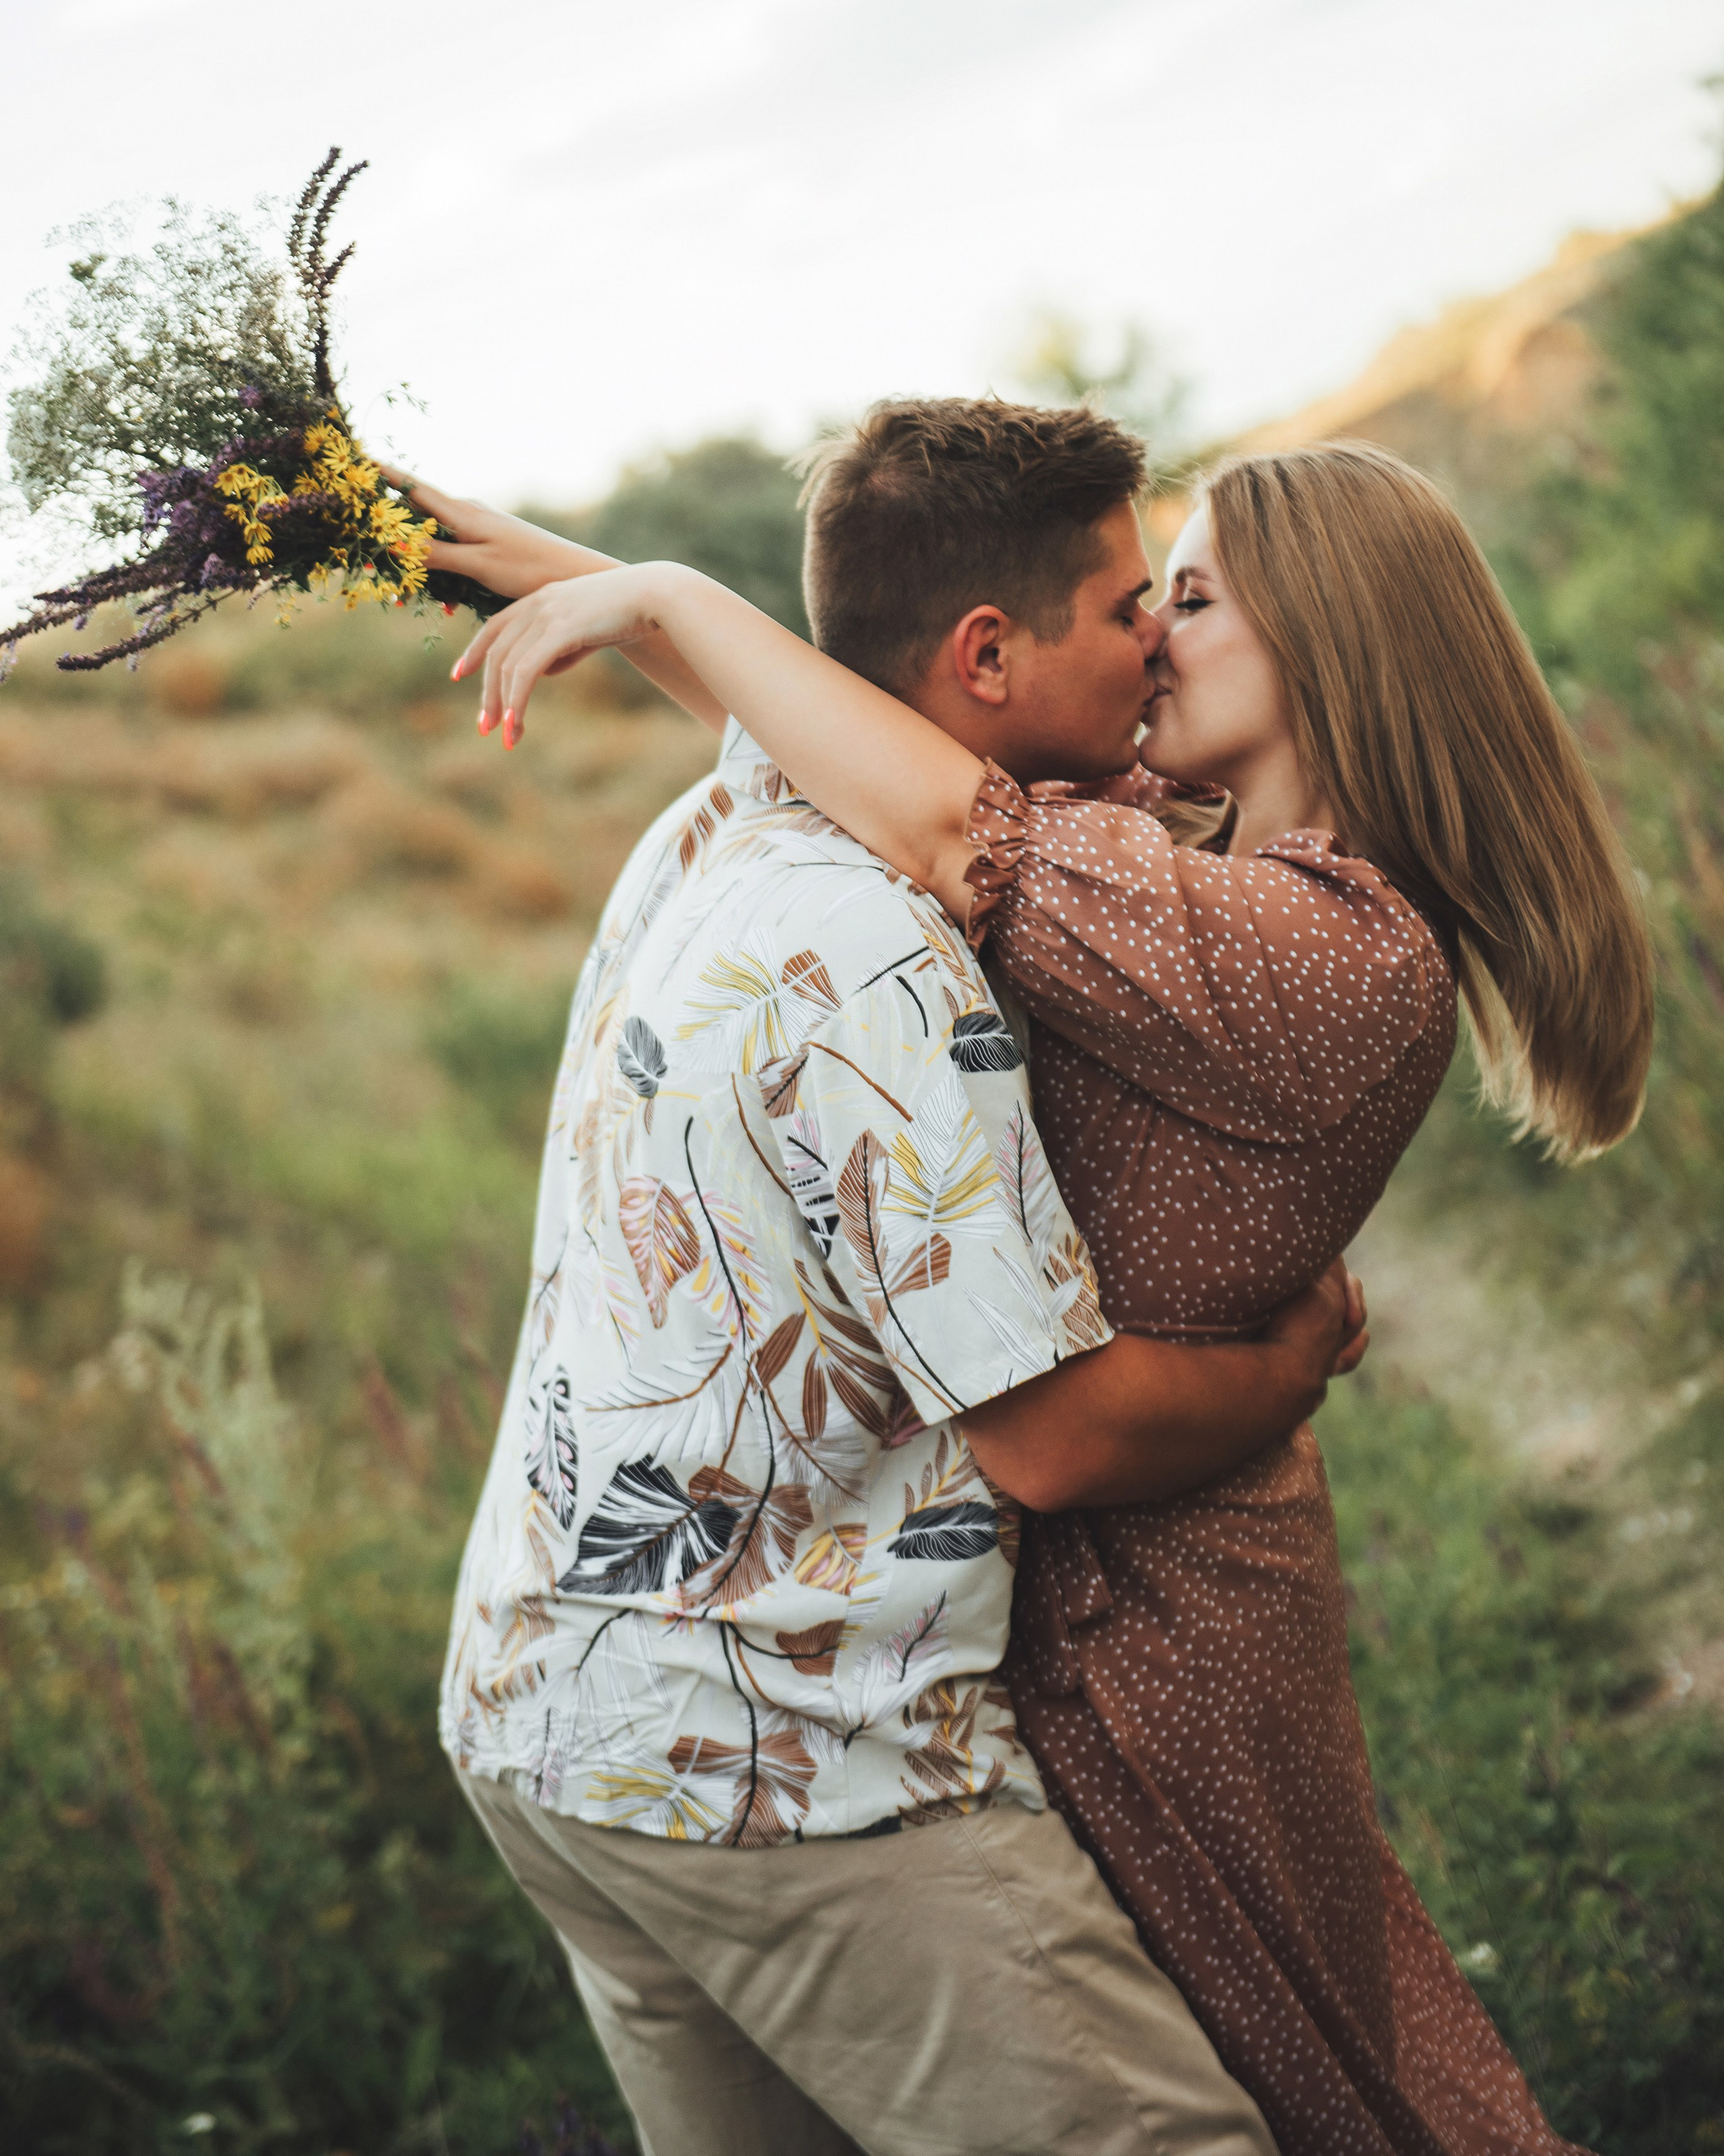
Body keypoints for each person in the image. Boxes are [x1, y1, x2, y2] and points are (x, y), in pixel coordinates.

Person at [444, 409, 1654, 2156]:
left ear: (1327, 645)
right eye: (1144, 597)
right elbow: (882, 721)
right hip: (1053, 1611)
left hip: (1162, 1633)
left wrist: (667, 597)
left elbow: (947, 804)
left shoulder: (1334, 949)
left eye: (1194, 597)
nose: (1154, 632)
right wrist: (530, 567)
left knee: (1324, 2084)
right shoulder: (1181, 856)